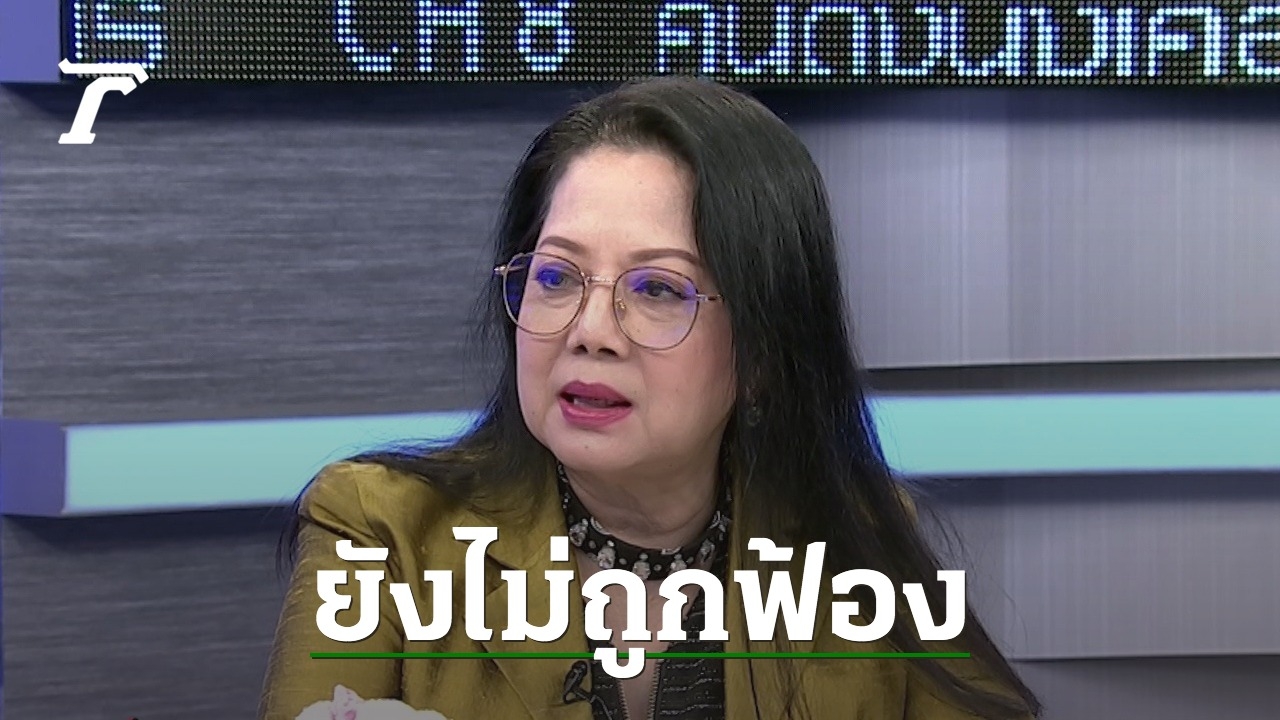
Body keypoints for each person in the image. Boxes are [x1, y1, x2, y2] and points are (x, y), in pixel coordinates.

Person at [258, 75, 1041, 720]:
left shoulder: (856, 546)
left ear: (763, 350)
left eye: (658, 288)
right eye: (556, 276)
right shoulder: (379, 532)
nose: (590, 331)